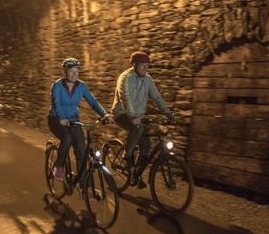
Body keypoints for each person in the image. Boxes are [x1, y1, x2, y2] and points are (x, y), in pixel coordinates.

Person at [111, 51, 175, 186]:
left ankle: (136, 173)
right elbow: (125, 98)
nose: (146, 69)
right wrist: (133, 117)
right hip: (122, 114)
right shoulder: (125, 78)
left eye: (147, 66)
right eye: (143, 66)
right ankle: (127, 155)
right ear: (134, 65)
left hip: (139, 116)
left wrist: (168, 113)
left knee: (146, 146)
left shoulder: (148, 79)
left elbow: (157, 97)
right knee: (138, 126)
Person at [48, 57, 109, 181]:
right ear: (64, 72)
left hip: (73, 120)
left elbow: (93, 102)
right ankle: (58, 166)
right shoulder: (57, 86)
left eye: (77, 71)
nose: (74, 74)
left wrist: (104, 114)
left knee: (81, 151)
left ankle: (82, 184)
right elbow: (56, 103)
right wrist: (62, 118)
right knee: (67, 138)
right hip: (56, 119)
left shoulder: (81, 86)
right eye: (71, 71)